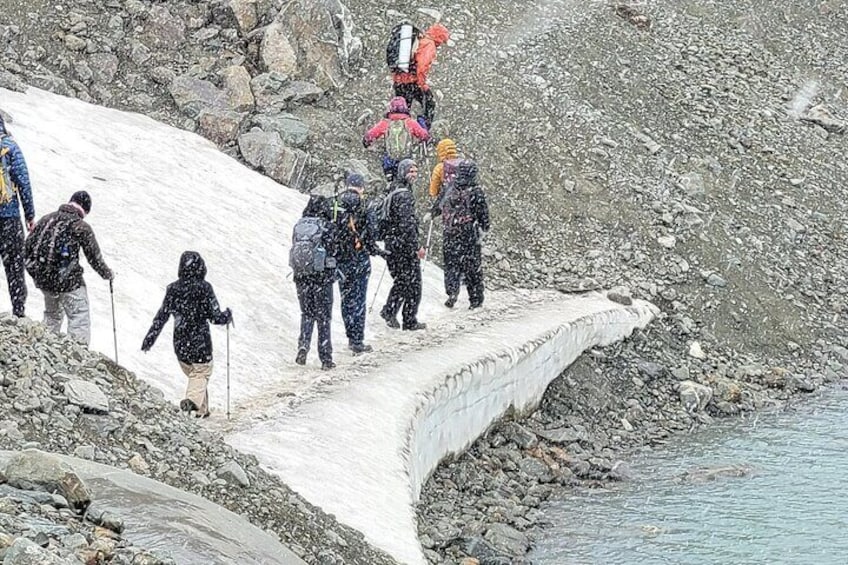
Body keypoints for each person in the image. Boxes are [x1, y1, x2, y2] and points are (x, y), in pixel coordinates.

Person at [141, 251, 232, 418]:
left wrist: (150, 338)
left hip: (181, 343)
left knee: (194, 374)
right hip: (200, 342)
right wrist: (226, 316)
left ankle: (202, 411)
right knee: (201, 372)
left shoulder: (173, 289)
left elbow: (162, 316)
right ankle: (191, 403)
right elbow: (215, 317)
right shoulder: (204, 288)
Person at [25, 191, 113, 345]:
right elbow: (95, 258)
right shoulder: (81, 227)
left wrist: (36, 274)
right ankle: (77, 353)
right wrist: (107, 274)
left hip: (45, 280)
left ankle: (44, 346)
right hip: (69, 282)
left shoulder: (46, 218)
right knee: (79, 316)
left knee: (52, 314)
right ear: (85, 210)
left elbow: (27, 248)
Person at [333, 173, 380, 354]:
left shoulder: (337, 203)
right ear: (361, 187)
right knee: (359, 299)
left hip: (341, 259)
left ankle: (349, 334)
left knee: (346, 299)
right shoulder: (365, 205)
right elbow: (373, 232)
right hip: (360, 258)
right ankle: (357, 340)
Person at [291, 195, 338, 370]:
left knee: (307, 313)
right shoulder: (327, 226)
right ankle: (325, 357)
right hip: (322, 278)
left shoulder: (299, 226)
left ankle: (303, 346)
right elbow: (333, 250)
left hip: (302, 276)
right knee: (324, 317)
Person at [380, 159, 427, 331]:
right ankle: (408, 319)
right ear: (403, 172)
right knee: (413, 284)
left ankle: (391, 311)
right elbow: (406, 224)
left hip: (392, 243)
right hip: (403, 246)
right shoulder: (404, 195)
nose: (414, 174)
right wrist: (416, 247)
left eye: (415, 171)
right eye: (411, 171)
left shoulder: (393, 189)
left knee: (402, 281)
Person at [437, 160, 490, 309]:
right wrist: (484, 228)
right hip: (468, 235)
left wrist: (432, 213)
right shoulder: (475, 191)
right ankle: (475, 299)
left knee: (451, 265)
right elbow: (483, 214)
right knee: (472, 268)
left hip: (449, 234)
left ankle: (452, 292)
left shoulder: (449, 187)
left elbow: (438, 205)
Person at [0, 114, 35, 318]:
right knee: (14, 265)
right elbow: (24, 183)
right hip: (9, 217)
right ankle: (18, 310)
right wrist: (30, 215)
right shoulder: (11, 148)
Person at [391, 23, 450, 130]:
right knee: (429, 104)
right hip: (412, 82)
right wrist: (421, 84)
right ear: (440, 37)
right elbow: (422, 66)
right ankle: (423, 131)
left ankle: (399, 135)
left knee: (402, 112)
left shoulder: (418, 40)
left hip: (399, 82)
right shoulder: (429, 44)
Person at [363, 97, 429, 181]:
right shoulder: (409, 122)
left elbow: (369, 136)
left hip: (390, 161)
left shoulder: (385, 123)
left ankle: (391, 184)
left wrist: (366, 142)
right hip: (406, 160)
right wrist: (422, 123)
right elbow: (424, 136)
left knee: (391, 181)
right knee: (407, 180)